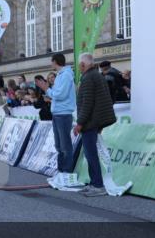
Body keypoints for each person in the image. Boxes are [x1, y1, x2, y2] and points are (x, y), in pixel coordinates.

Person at [73, 54, 117, 196]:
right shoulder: (96, 75)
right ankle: (94, 183)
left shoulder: (88, 78)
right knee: (90, 153)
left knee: (91, 154)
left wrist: (79, 123)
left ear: (83, 65)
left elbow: (87, 104)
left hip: (90, 122)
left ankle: (98, 185)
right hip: (95, 121)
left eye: (79, 65)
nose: (79, 67)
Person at [45, 53, 76, 189]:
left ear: (55, 62)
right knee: (59, 145)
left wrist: (47, 90)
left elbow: (60, 95)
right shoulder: (60, 75)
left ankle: (66, 172)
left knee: (65, 145)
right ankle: (61, 171)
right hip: (58, 113)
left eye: (52, 62)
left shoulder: (66, 75)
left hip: (63, 114)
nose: (51, 64)